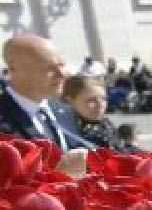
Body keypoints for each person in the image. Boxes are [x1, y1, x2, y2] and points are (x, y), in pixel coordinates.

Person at [1, 34, 89, 174]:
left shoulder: (64, 111)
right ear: (13, 68)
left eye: (61, 65)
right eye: (49, 68)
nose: (62, 74)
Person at [59, 74, 126, 150]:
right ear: (70, 101)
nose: (100, 105)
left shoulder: (106, 124)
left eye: (103, 99)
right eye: (91, 100)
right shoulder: (64, 131)